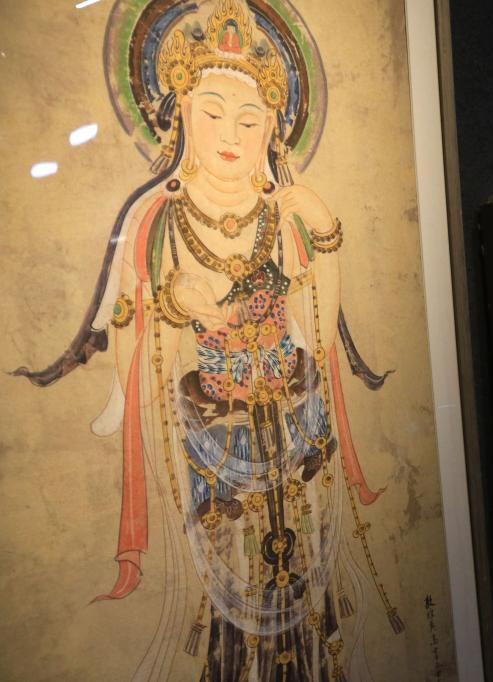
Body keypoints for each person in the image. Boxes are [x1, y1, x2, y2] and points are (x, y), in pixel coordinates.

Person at [13, 2, 403, 679]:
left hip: (298, 432)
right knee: (234, 603)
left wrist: (325, 231)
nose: (231, 134)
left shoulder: (284, 214)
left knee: (311, 606)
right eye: (213, 112)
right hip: (215, 441)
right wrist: (171, 304)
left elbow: (319, 333)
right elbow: (136, 359)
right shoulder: (157, 220)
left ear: (273, 132)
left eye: (250, 121)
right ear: (179, 116)